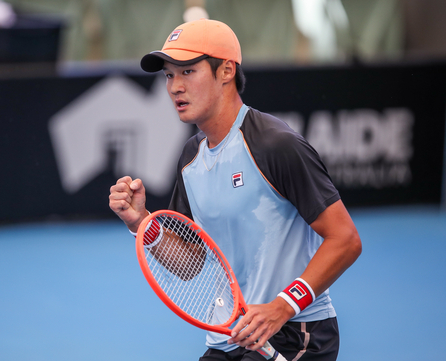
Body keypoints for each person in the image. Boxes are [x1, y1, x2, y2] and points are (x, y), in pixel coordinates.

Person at [109, 18, 362, 361]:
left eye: (187, 72)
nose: (173, 87)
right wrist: (142, 223)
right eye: (169, 75)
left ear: (226, 71)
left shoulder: (277, 145)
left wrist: (282, 306)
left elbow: (345, 240)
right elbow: (190, 263)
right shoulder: (190, 158)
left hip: (296, 332)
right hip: (231, 337)